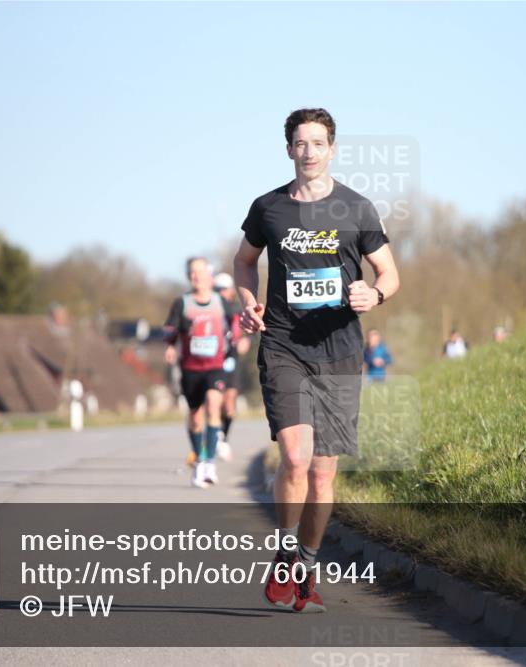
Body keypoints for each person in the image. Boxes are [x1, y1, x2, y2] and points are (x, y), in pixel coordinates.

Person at [234, 108, 399, 613]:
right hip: (284, 346)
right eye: (300, 143)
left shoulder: (357, 209)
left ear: (332, 149)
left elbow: (389, 273)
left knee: (323, 476)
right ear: (289, 149)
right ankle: (286, 552)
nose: (309, 152)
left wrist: (374, 294)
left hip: (340, 352)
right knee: (296, 458)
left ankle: (305, 565)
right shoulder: (268, 208)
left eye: (318, 143)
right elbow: (244, 261)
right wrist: (248, 302)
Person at [162, 257, 238, 488]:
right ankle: (199, 460)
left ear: (209, 275)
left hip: (215, 366)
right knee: (195, 417)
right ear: (188, 277)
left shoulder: (219, 301)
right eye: (192, 273)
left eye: (200, 272)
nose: (196, 276)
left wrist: (239, 339)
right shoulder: (182, 303)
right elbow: (170, 329)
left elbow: (235, 321)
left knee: (214, 404)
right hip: (190, 367)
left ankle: (210, 464)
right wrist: (170, 346)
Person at [213, 271, 250, 460]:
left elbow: (248, 331)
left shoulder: (236, 311)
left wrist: (245, 341)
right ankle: (214, 436)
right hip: (213, 362)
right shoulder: (210, 310)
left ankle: (224, 438)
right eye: (218, 289)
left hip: (231, 361)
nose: (222, 293)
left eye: (224, 289)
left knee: (229, 405)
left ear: (231, 291)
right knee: (214, 401)